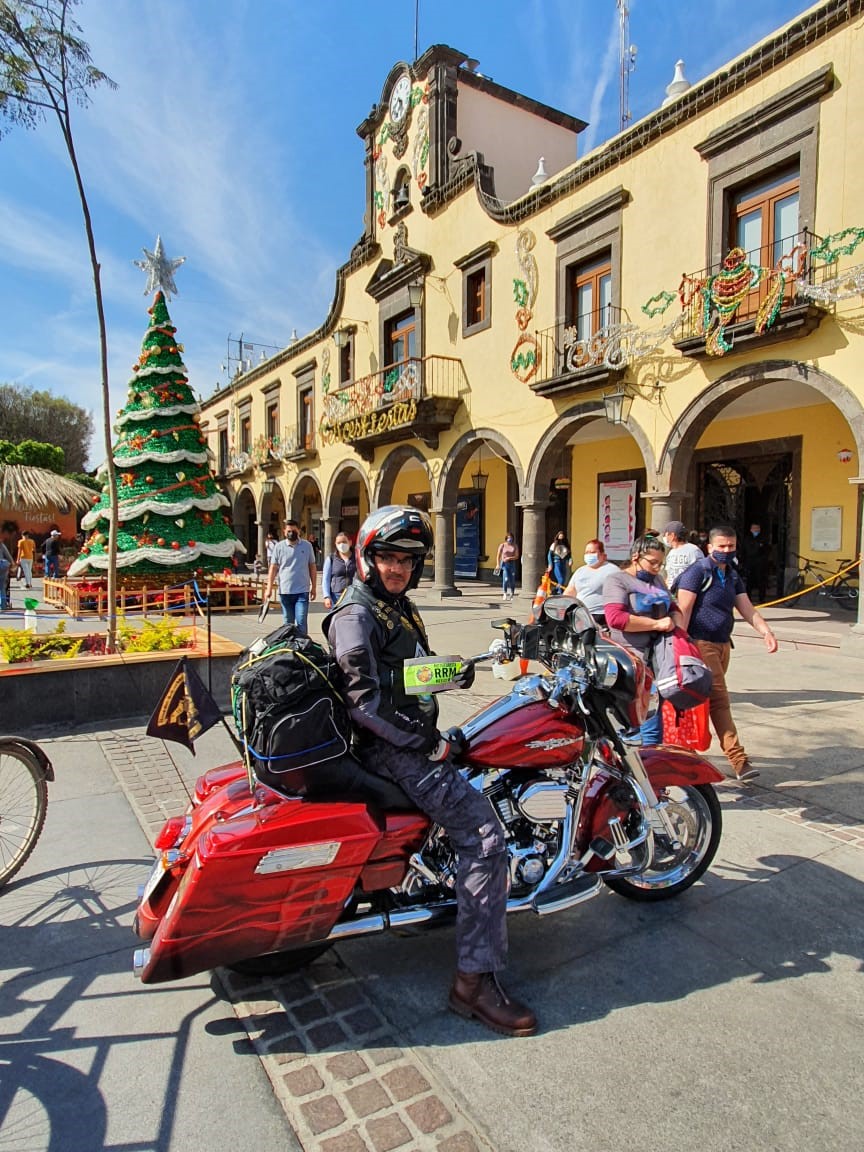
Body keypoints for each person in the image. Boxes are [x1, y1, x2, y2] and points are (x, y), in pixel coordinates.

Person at [323, 506, 536, 1037]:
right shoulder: (356, 614)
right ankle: (474, 983)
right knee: (486, 837)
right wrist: (429, 744)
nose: (398, 568)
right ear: (366, 557)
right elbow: (365, 704)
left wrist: (455, 671)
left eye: (408, 560)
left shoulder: (392, 605)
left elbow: (403, 672)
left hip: (403, 740)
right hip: (391, 750)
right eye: (388, 558)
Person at [675, 524, 778, 782]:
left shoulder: (732, 575)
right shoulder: (697, 572)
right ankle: (738, 760)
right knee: (719, 699)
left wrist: (765, 631)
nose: (726, 550)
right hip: (700, 644)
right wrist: (679, 645)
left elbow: (746, 607)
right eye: (721, 546)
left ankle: (684, 754)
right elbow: (683, 610)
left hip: (722, 645)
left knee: (702, 701)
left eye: (730, 546)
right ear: (709, 547)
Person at [603, 533, 685, 745]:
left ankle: (645, 764)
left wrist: (676, 621)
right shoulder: (617, 580)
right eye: (653, 563)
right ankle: (650, 771)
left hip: (661, 659)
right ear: (635, 557)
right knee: (650, 725)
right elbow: (616, 618)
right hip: (635, 661)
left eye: (661, 563)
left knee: (650, 722)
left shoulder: (657, 579)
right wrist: (656, 624)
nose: (657, 568)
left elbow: (673, 606)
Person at [263, 518, 317, 634]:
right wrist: (269, 589)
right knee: (288, 623)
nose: (291, 533)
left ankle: (302, 647)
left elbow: (312, 566)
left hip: (302, 591)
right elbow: (273, 568)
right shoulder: (279, 547)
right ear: (284, 532)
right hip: (285, 591)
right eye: (288, 531)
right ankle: (290, 646)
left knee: (301, 621)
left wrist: (314, 587)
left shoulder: (307, 546)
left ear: (298, 531)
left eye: (293, 530)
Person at [564, 539, 619, 628]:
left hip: (600, 616)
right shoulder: (580, 571)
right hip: (579, 615)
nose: (589, 555)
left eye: (592, 552)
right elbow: (570, 591)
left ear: (602, 555)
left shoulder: (612, 570)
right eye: (587, 552)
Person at [662, 521, 704, 589]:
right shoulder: (671, 553)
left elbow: (702, 573)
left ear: (672, 536)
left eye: (666, 535)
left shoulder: (694, 550)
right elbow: (669, 576)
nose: (664, 537)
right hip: (672, 593)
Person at [322, 531, 356, 610]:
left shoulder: (357, 558)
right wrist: (326, 596)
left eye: (344, 542)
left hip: (353, 595)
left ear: (350, 542)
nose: (341, 545)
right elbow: (326, 579)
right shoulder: (331, 558)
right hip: (336, 596)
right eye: (339, 542)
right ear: (335, 544)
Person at [739, 522, 770, 604]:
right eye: (754, 528)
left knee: (761, 582)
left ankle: (761, 599)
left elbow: (767, 551)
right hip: (749, 563)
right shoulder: (747, 539)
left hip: (760, 564)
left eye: (757, 528)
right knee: (749, 582)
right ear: (751, 529)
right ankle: (748, 599)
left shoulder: (763, 539)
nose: (756, 530)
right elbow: (744, 551)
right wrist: (742, 562)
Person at [495, 532, 519, 602]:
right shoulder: (502, 545)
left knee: (512, 581)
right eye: (508, 538)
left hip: (512, 564)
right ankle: (505, 593)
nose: (510, 539)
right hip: (504, 564)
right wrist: (497, 564)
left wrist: (510, 558)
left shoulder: (515, 546)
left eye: (511, 538)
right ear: (506, 538)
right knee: (505, 579)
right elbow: (498, 555)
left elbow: (517, 556)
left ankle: (512, 593)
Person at [0, 539, 12, 610]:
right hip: (1, 567)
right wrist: (13, 563)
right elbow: (8, 555)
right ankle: (3, 605)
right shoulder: (1, 544)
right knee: (2, 587)